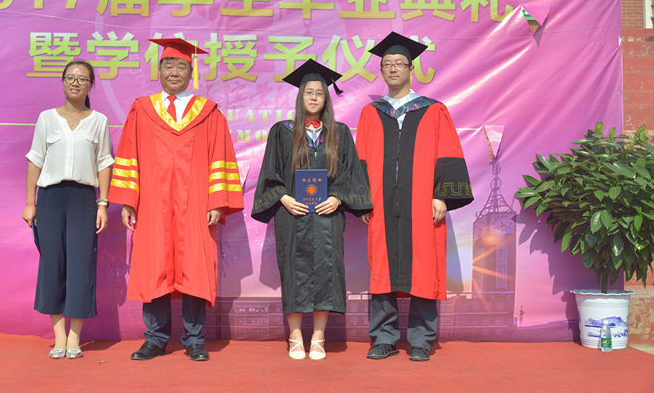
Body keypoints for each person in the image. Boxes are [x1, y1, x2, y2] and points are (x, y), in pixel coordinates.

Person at [108, 38, 244, 362]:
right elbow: (129, 155)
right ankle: (155, 339)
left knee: (194, 267)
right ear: (158, 71)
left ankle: (195, 340)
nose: (174, 71)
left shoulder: (209, 113)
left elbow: (220, 157)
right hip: (152, 204)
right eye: (168, 65)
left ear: (191, 72)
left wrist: (216, 201)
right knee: (154, 265)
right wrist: (128, 201)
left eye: (181, 66)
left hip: (195, 204)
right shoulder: (142, 110)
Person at [355, 32, 474, 362]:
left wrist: (442, 196)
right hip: (381, 204)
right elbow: (361, 159)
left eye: (399, 63)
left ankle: (422, 339)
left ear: (411, 69)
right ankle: (384, 338)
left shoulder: (434, 110)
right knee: (382, 268)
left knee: (424, 265)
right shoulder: (371, 113)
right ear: (381, 71)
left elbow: (448, 154)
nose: (393, 68)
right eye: (387, 64)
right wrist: (362, 200)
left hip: (422, 203)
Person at [252, 60, 372, 361]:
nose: (314, 97)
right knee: (293, 272)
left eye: (319, 92)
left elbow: (350, 174)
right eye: (309, 92)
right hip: (292, 215)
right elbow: (270, 172)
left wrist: (338, 198)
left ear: (326, 98)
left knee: (326, 273)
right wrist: (282, 198)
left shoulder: (339, 133)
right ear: (300, 96)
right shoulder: (282, 131)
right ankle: (295, 335)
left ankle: (318, 337)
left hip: (327, 216)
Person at [23, 60, 113, 359]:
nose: (75, 82)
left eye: (82, 79)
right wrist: (30, 203)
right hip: (50, 198)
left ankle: (75, 337)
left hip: (84, 199)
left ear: (91, 85)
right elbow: (36, 159)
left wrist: (102, 203)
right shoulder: (46, 118)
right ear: (62, 82)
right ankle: (59, 337)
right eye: (70, 77)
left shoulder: (98, 120)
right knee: (52, 264)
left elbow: (103, 162)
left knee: (80, 265)